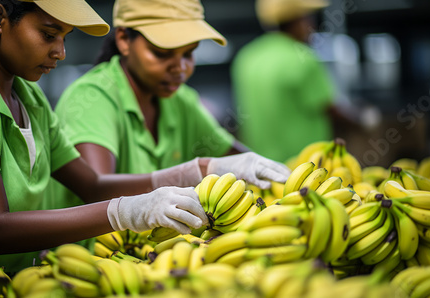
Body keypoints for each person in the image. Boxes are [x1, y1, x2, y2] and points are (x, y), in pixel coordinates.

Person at [0, 0, 289, 273]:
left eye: (65, 37)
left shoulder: (29, 95)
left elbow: (92, 184)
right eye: (49, 34)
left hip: (24, 279)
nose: (61, 52)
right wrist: (124, 211)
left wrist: (200, 168)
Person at [51, 0, 291, 210]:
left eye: (189, 54)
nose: (180, 68)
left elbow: (239, 161)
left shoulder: (181, 101)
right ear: (124, 39)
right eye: (162, 54)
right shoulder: (92, 97)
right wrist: (198, 170)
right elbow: (97, 191)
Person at [231, 0, 337, 163]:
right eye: (309, 19)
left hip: (261, 166)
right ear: (299, 21)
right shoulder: (303, 57)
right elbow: (329, 108)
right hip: (308, 165)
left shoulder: (246, 57)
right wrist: (365, 120)